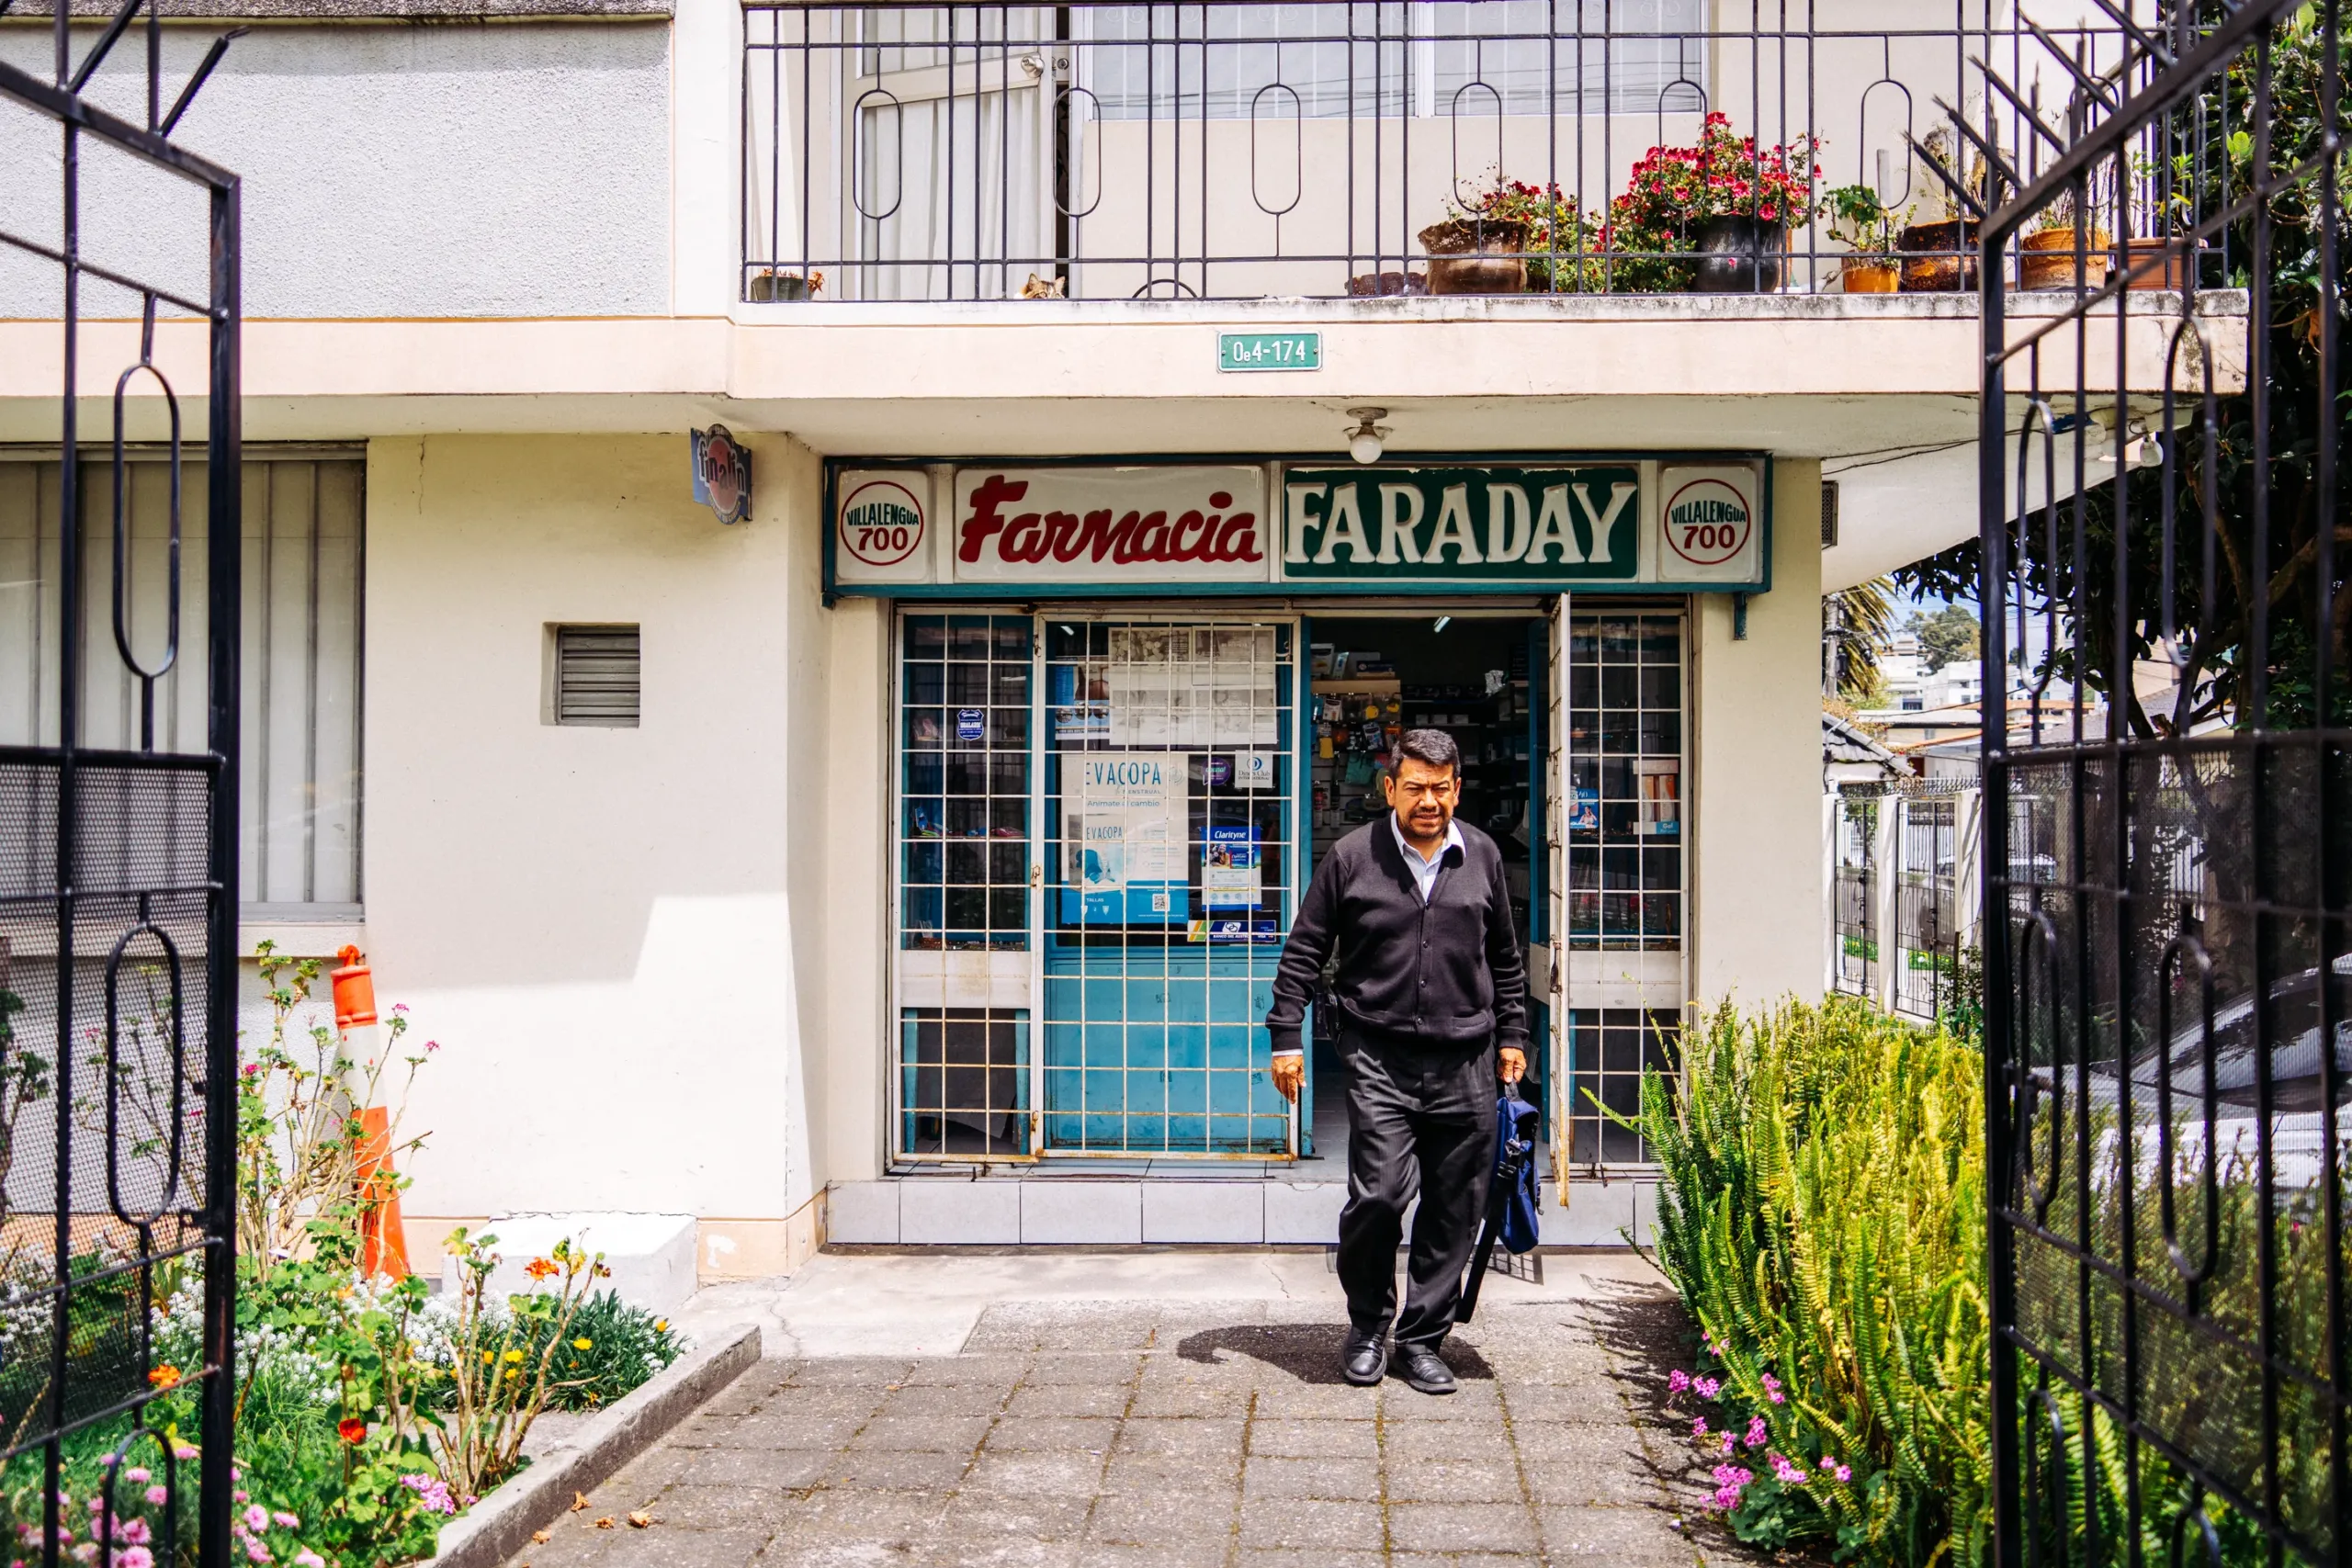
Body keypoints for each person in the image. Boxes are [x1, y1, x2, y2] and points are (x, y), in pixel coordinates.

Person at [1265, 728, 1528, 1393]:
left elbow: (1505, 958)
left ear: (1457, 788)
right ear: (1390, 788)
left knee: (1452, 1208)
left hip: (1465, 1059)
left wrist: (1513, 1034)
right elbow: (1304, 949)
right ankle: (1367, 1326)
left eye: (1441, 788)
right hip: (1378, 1055)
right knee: (1378, 1198)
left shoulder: (1484, 856)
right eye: (1415, 787)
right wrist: (1285, 1037)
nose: (1429, 800)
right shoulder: (1354, 857)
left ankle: (1422, 1339)